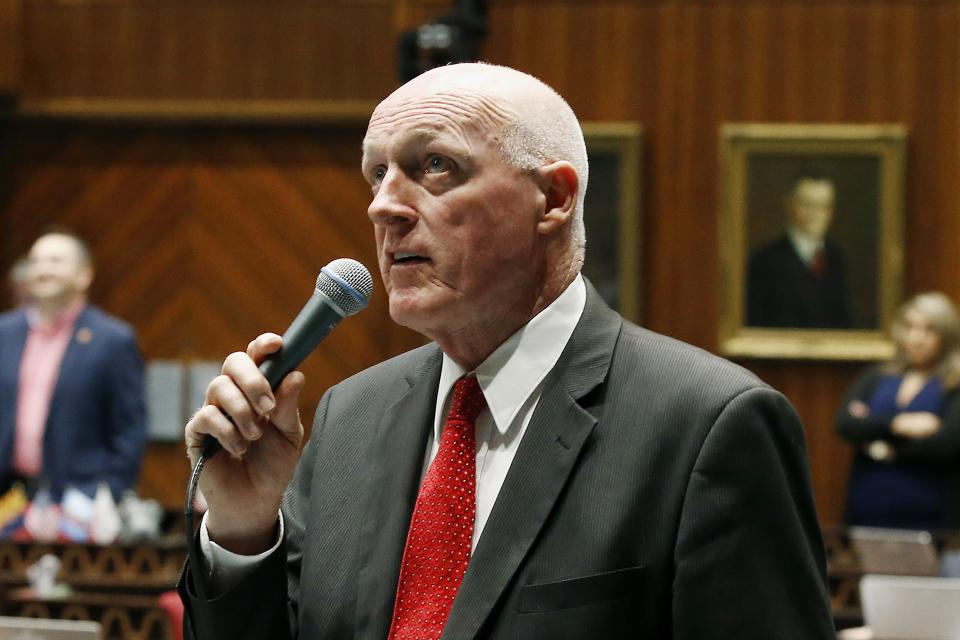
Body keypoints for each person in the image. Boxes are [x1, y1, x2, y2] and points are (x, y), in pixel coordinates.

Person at [180, 63, 833, 639]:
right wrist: (243, 533)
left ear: (552, 198)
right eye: (377, 174)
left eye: (434, 165)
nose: (384, 206)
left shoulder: (708, 424)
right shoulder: (350, 417)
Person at [0, 230, 147, 500]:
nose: (43, 269)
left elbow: (130, 429)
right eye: (36, 261)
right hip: (8, 497)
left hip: (80, 499)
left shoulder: (112, 340)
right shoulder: (4, 333)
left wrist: (109, 492)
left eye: (55, 261)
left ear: (84, 275)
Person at [836, 292, 960, 530]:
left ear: (947, 336)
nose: (916, 338)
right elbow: (845, 423)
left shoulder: (954, 383)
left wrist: (879, 446)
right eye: (910, 327)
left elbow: (945, 445)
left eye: (929, 330)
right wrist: (897, 424)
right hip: (867, 511)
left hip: (932, 518)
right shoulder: (878, 376)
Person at [747, 172, 851, 329]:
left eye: (822, 206)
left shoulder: (836, 257)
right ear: (790, 205)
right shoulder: (766, 260)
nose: (814, 214)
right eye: (807, 204)